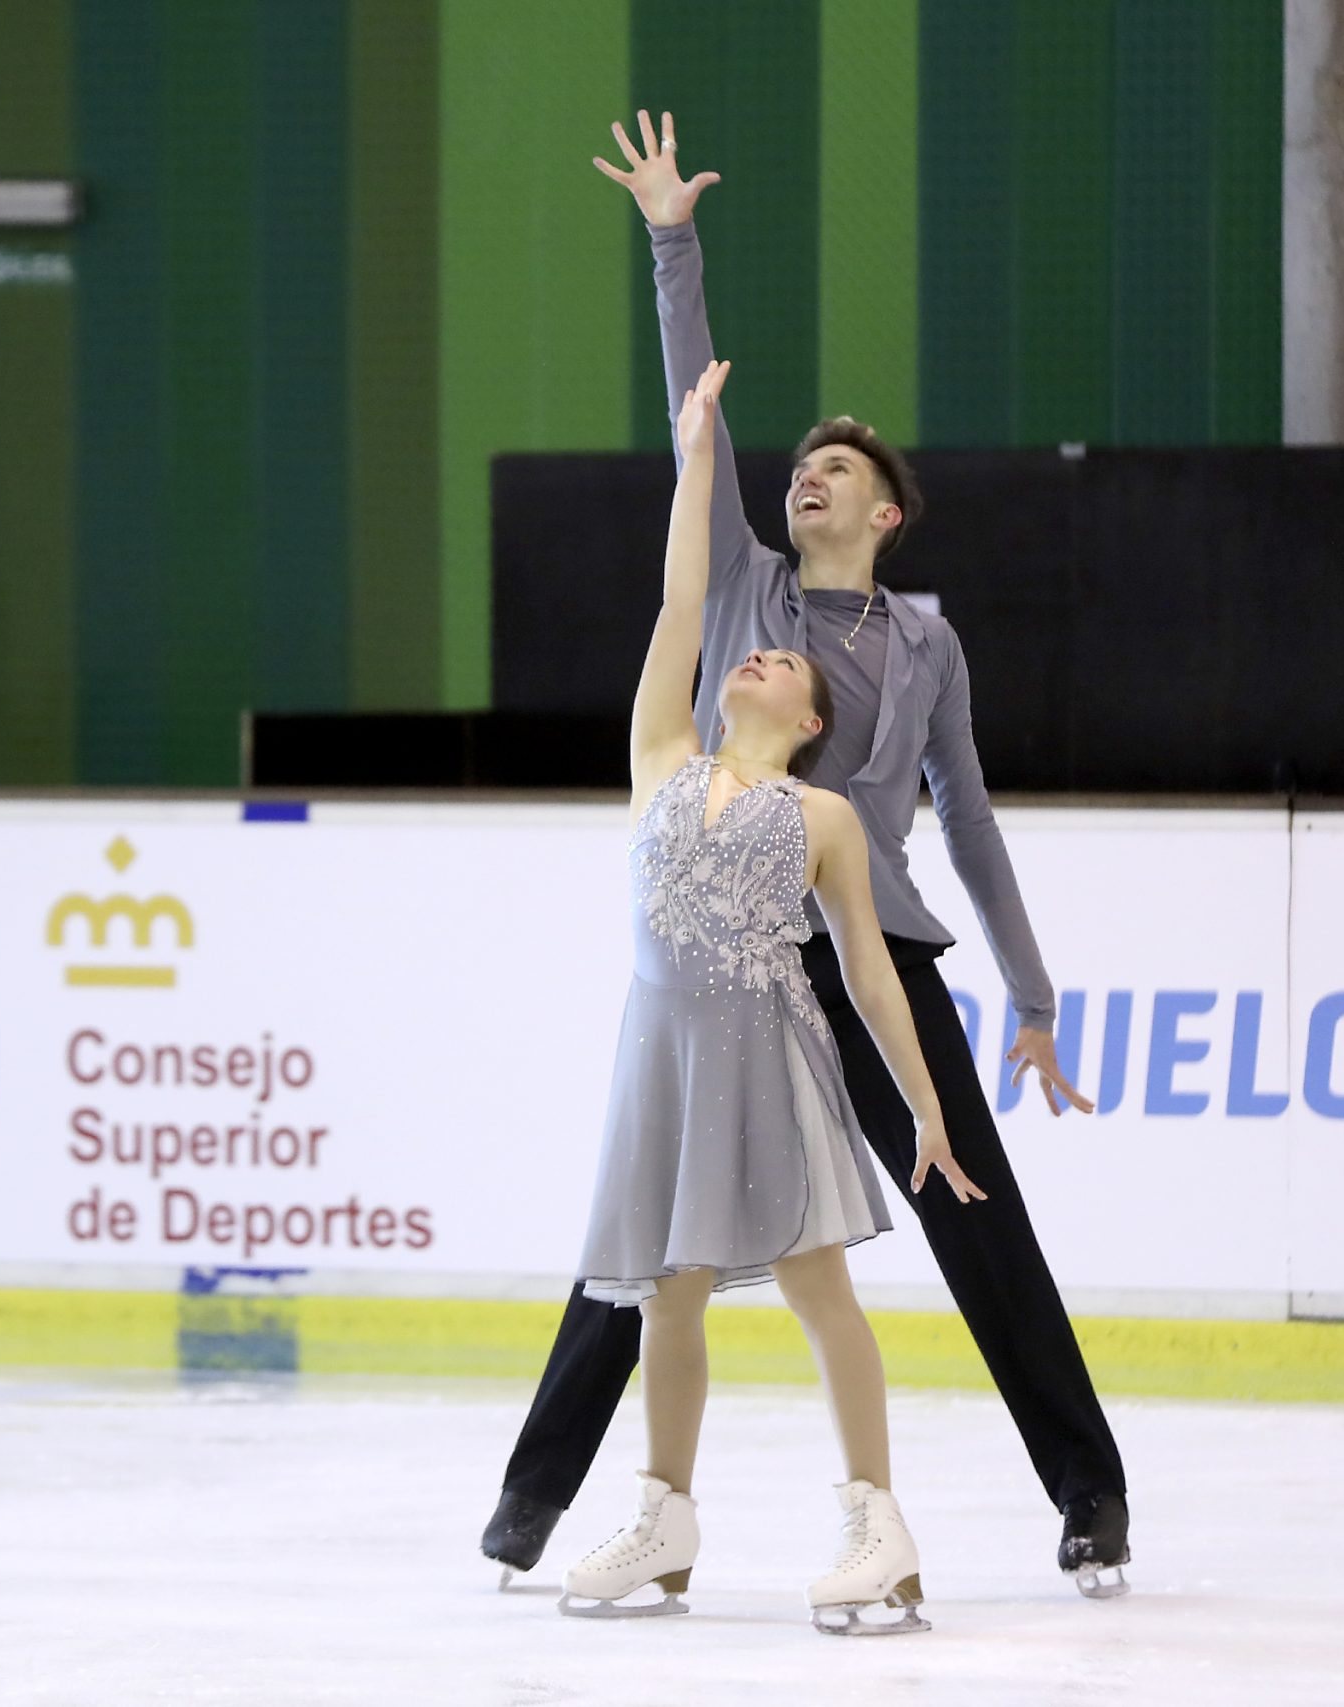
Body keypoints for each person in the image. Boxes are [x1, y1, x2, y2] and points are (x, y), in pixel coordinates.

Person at [484, 111, 1133, 1598]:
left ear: (886, 512)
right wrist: (670, 243)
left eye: (841, 468)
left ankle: (1090, 1493)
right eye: (805, 464)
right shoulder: (743, 601)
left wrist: (1029, 990)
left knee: (975, 1202)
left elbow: (966, 816)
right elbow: (692, 415)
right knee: (650, 1238)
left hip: (871, 940)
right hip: (727, 941)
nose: (813, 475)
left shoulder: (923, 639)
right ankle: (540, 1500)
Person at [557, 356, 977, 1635]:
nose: (756, 660)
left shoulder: (828, 815)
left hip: (770, 1064)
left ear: (810, 715)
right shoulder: (660, 753)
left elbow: (864, 975)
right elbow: (687, 594)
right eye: (749, 659)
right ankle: (664, 1522)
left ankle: (877, 1523)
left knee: (816, 1291)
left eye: (781, 666)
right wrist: (696, 454)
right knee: (665, 1299)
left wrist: (927, 1111)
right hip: (664, 1072)